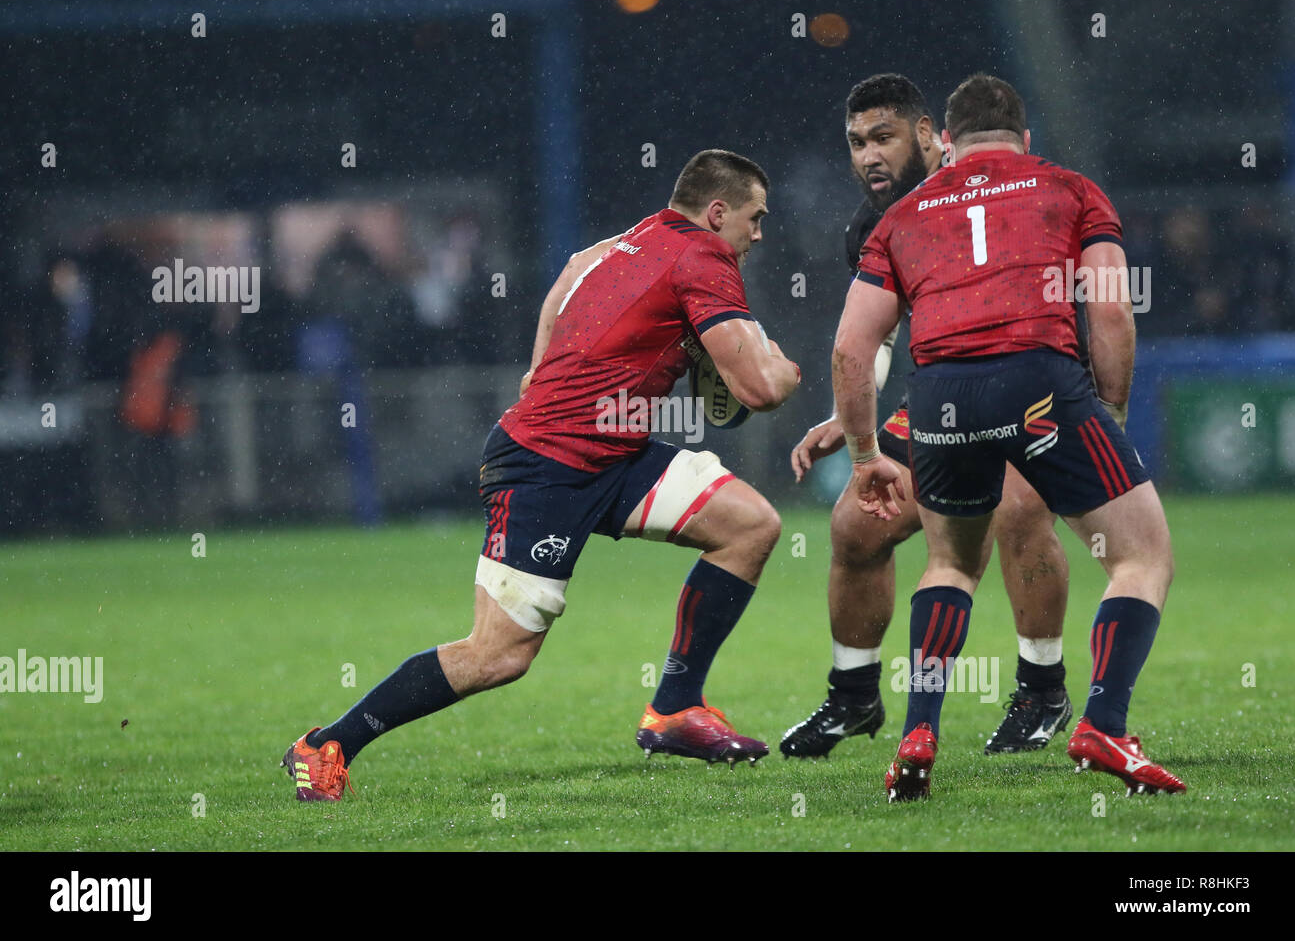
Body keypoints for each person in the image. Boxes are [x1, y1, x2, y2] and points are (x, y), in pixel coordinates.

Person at [284, 149, 801, 800]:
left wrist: (538, 367)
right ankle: (325, 744)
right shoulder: (705, 255)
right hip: (544, 469)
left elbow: (569, 273)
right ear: (717, 212)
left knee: (750, 526)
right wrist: (786, 367)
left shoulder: (639, 236)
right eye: (754, 218)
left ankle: (676, 708)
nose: (758, 233)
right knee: (498, 656)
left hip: (616, 455)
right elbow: (757, 390)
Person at [835, 73, 1185, 801]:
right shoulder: (1070, 187)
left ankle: (918, 732)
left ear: (948, 146)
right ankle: (1104, 724)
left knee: (950, 566)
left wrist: (865, 454)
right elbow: (1112, 311)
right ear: (1025, 140)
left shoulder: (903, 214)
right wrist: (1109, 415)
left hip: (939, 397)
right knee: (1141, 555)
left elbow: (850, 349)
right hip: (1040, 383)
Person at [782, 74, 1073, 759]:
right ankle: (853, 696)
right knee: (859, 523)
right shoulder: (874, 224)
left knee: (1020, 507)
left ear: (926, 133)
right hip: (948, 398)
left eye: (882, 137)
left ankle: (1042, 689)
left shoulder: (996, 178)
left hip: (1034, 384)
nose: (867, 157)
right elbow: (877, 334)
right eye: (855, 143)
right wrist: (844, 415)